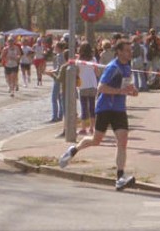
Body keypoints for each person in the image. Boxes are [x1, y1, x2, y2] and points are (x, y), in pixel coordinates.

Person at [58, 40, 139, 191]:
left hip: (119, 109)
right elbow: (101, 88)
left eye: (130, 50)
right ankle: (73, 150)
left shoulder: (127, 67)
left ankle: (120, 177)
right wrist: (120, 92)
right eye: (127, 50)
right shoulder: (113, 68)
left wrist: (132, 90)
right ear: (119, 52)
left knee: (123, 142)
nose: (130, 53)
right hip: (105, 108)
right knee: (96, 140)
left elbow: (126, 85)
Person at [76, 42, 99, 135]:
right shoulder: (93, 59)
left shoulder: (78, 60)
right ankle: (92, 128)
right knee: (92, 107)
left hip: (83, 85)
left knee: (84, 107)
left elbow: (77, 72)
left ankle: (83, 128)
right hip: (93, 84)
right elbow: (97, 72)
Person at [47, 42, 67, 122]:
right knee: (60, 98)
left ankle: (55, 116)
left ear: (58, 48)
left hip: (58, 78)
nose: (54, 48)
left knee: (54, 98)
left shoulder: (59, 56)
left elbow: (59, 69)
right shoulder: (63, 55)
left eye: (55, 47)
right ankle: (60, 115)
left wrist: (50, 72)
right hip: (61, 77)